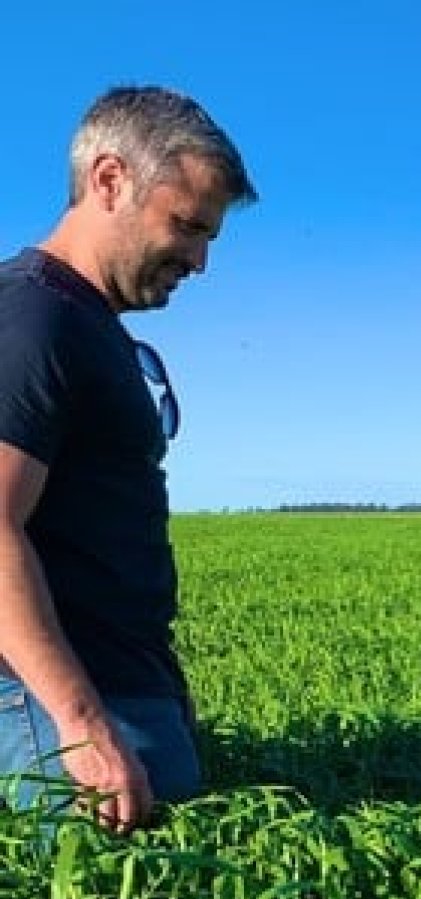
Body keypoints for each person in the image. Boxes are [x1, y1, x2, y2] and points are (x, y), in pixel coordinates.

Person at [0, 86, 257, 834]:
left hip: (114, 684)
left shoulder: (86, 324)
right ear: (109, 180)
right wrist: (84, 727)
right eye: (186, 226)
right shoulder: (32, 322)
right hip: (41, 698)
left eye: (210, 236)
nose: (200, 261)